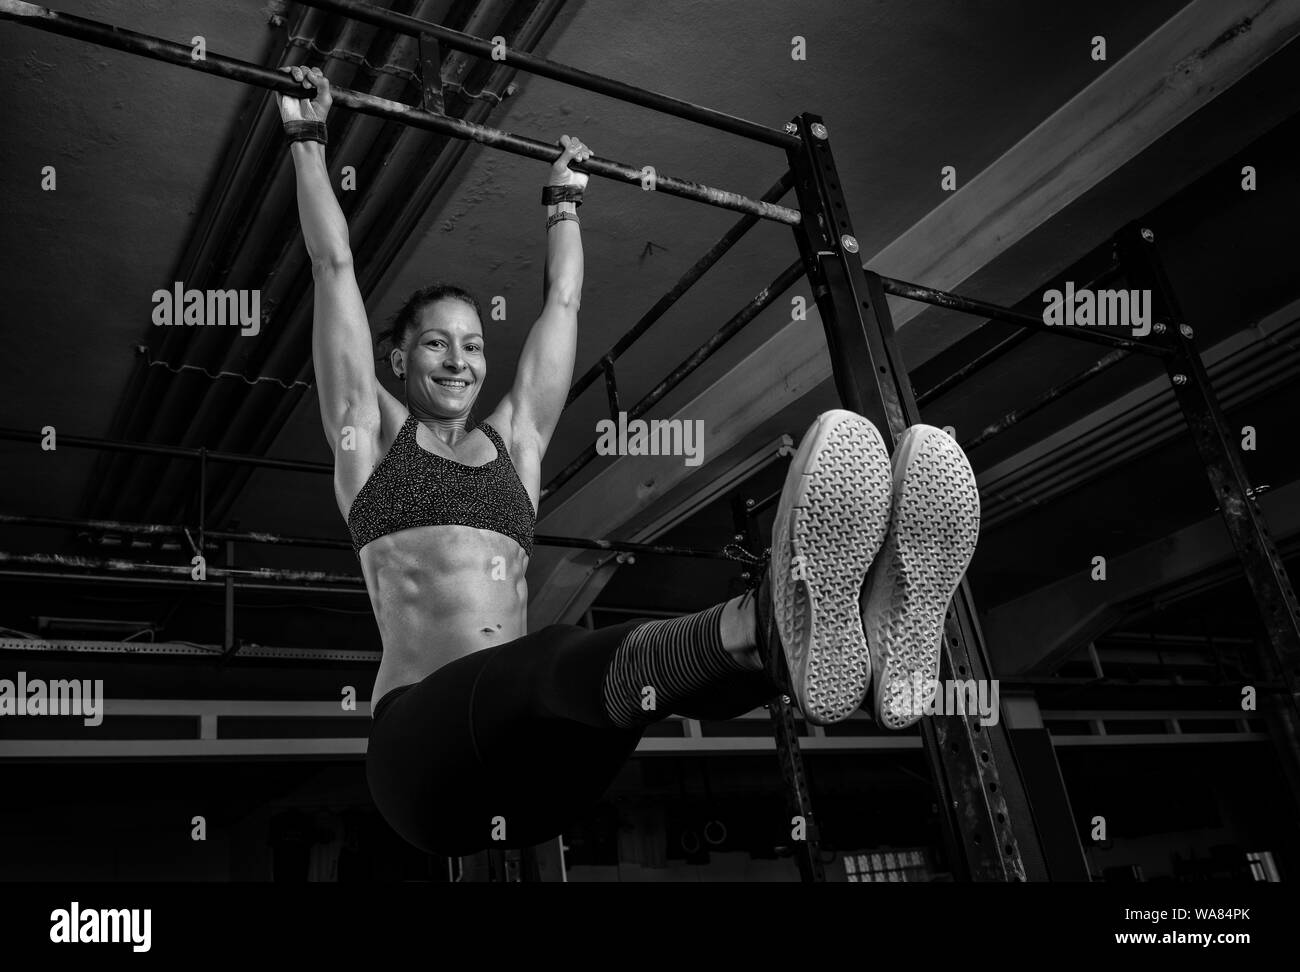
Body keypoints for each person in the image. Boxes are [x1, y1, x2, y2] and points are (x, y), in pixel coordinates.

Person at [279, 65, 981, 858]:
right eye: (434, 343)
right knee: (553, 658)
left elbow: (563, 307)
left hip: (538, 775)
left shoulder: (518, 442)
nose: (458, 361)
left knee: (630, 689)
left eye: (473, 344)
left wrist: (565, 204)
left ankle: (840, 630)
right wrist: (307, 139)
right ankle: (768, 621)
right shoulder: (367, 434)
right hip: (423, 762)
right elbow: (332, 267)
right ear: (397, 359)